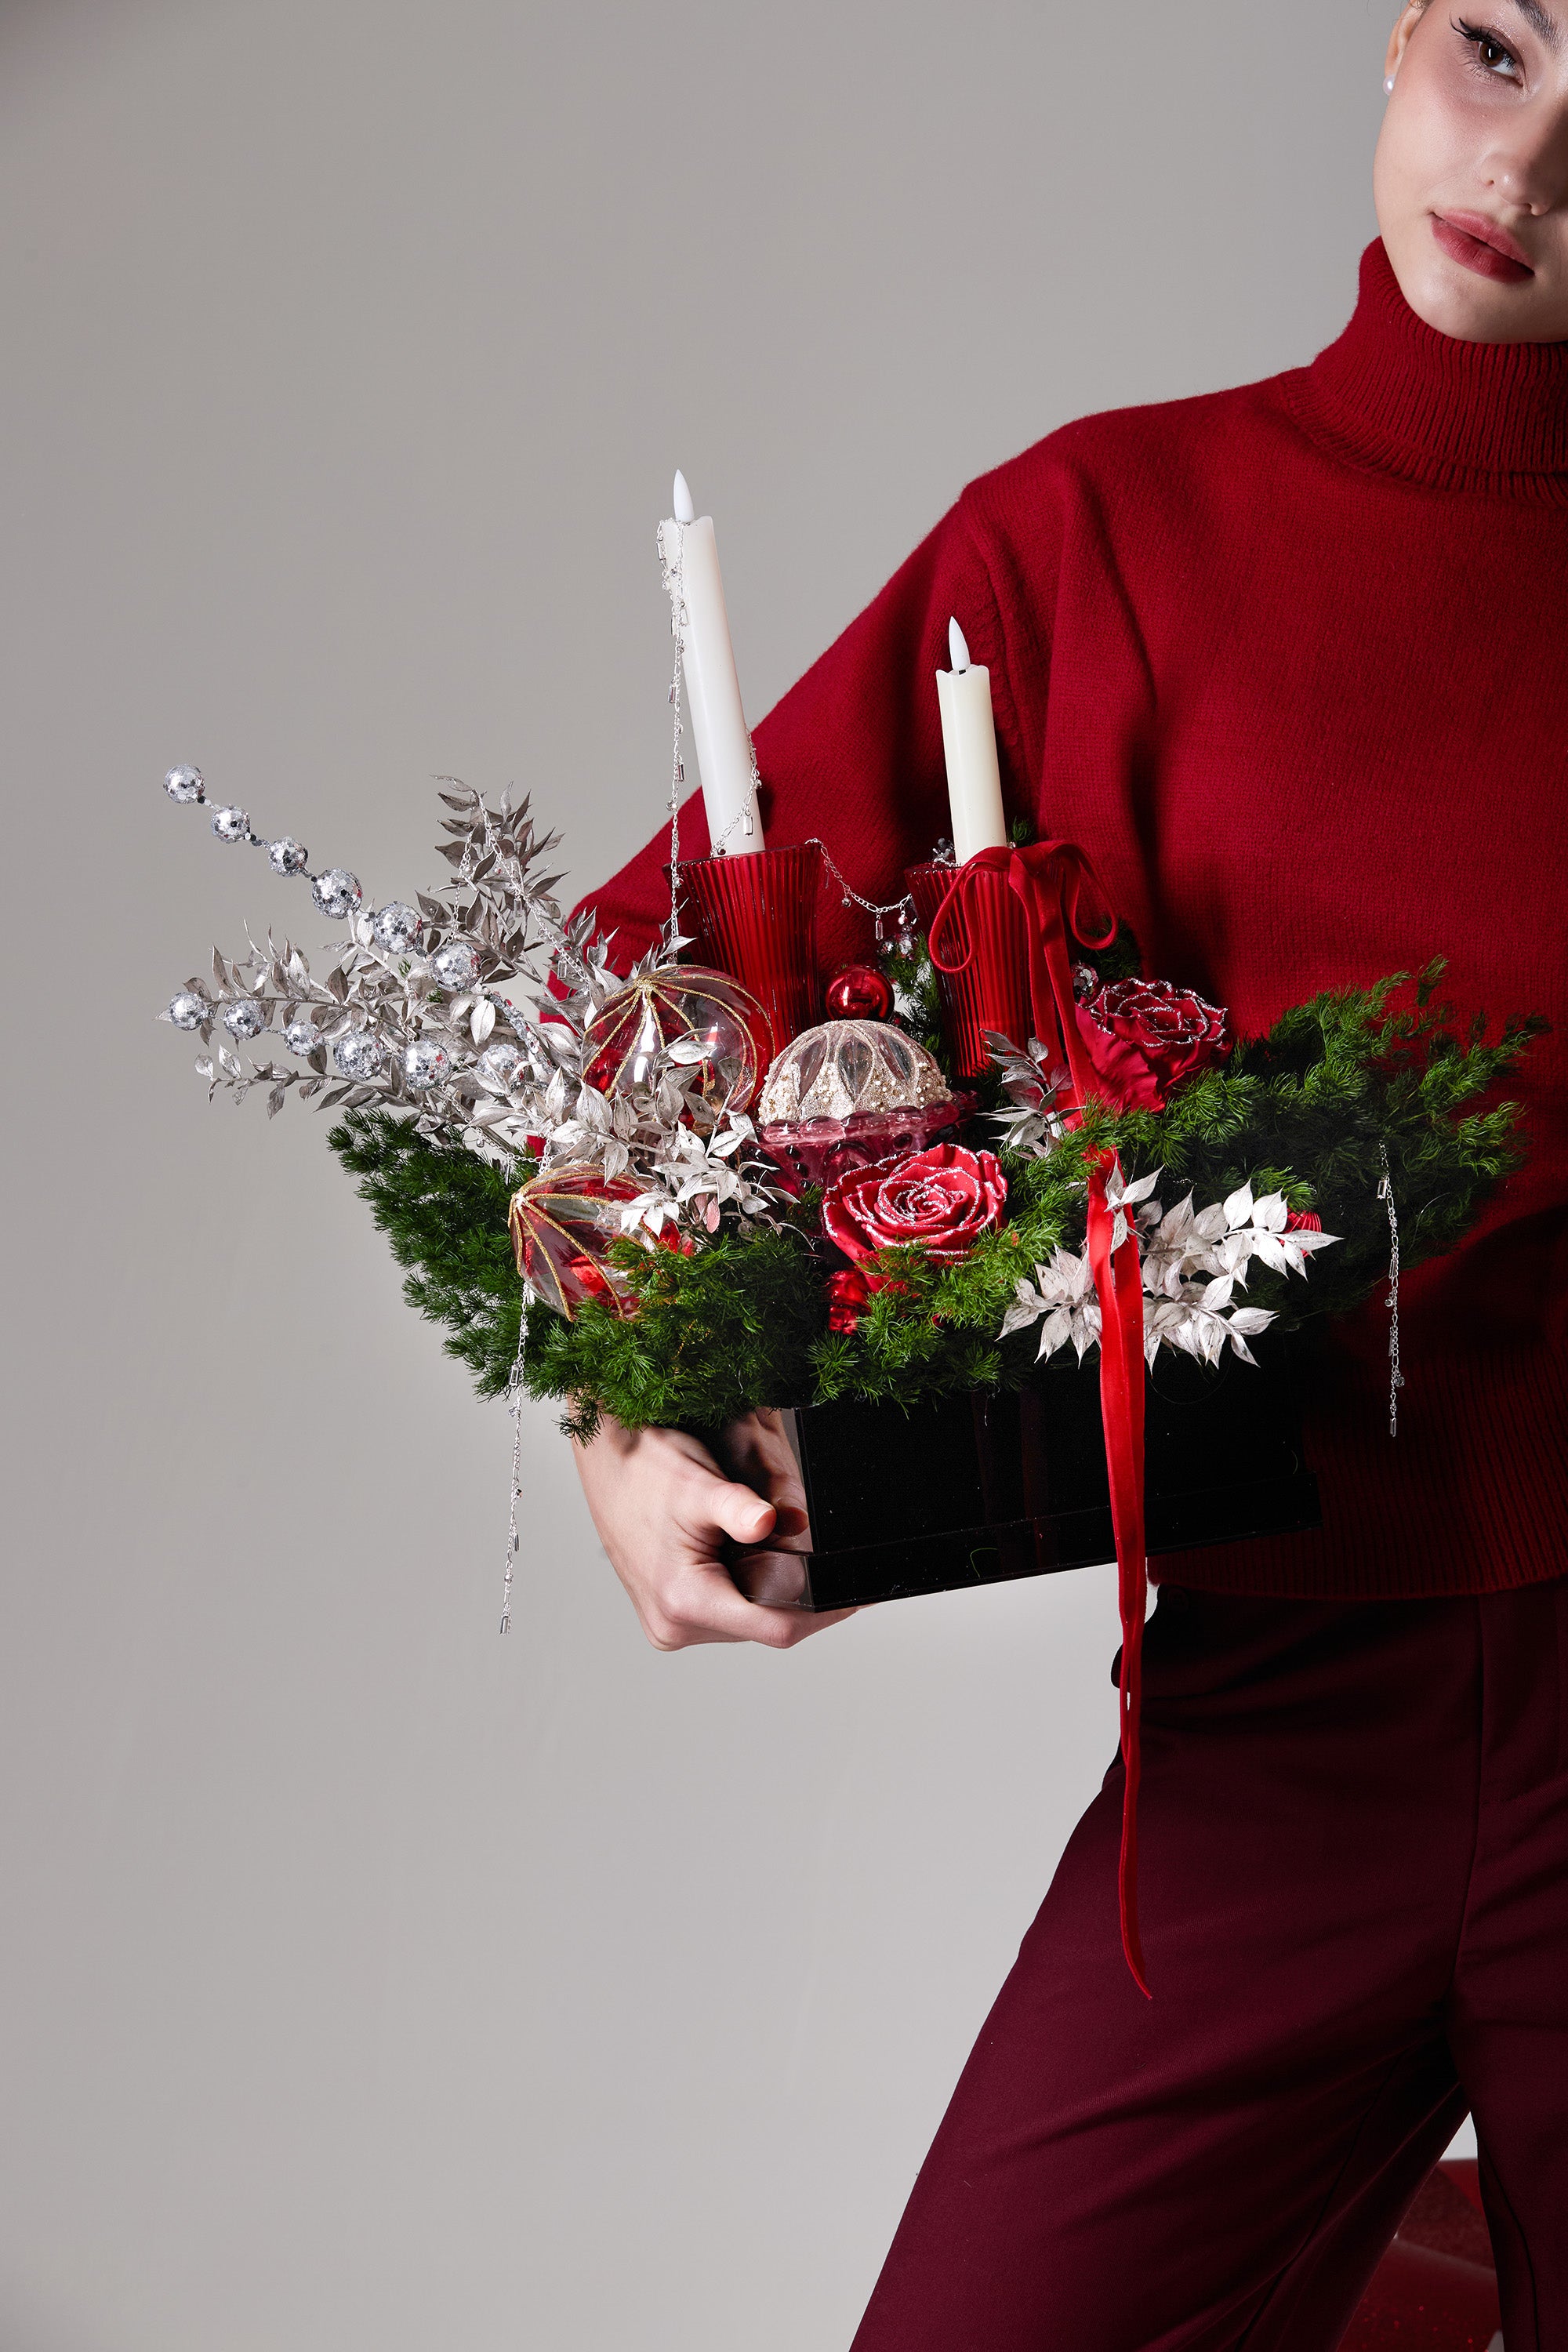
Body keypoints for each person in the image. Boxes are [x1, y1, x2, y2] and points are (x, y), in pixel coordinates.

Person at [572, 4, 1568, 2343]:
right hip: (1268, 1732)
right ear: (1412, 26)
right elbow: (659, 980)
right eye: (1505, 55)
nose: (1523, 176)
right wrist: (640, 1396)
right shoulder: (1099, 532)